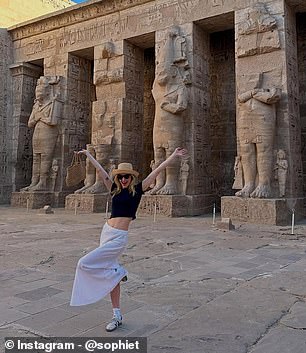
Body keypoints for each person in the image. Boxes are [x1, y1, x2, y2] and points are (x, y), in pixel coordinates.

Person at [70, 147, 188, 332]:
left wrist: (173, 156)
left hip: (118, 238)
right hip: (106, 231)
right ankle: (117, 314)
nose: (124, 179)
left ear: (132, 178)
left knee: (83, 263)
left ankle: (120, 271)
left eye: (127, 177)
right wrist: (87, 155)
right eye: (121, 177)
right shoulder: (114, 189)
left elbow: (157, 170)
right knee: (110, 273)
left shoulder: (138, 191)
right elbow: (101, 171)